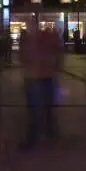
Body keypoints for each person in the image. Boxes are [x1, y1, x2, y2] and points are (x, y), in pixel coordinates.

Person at [18, 17, 63, 150]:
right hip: (40, 77)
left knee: (37, 109)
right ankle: (49, 133)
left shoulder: (34, 40)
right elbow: (58, 53)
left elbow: (23, 58)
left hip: (37, 78)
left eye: (29, 24)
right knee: (44, 108)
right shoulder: (36, 39)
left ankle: (35, 137)